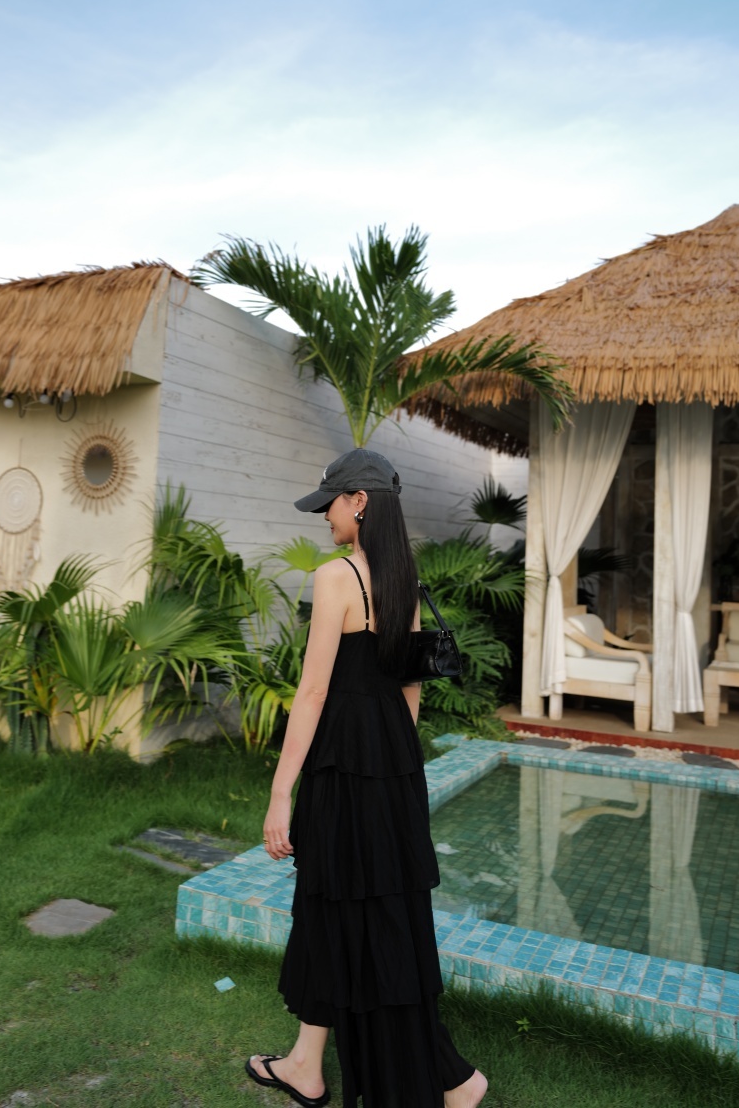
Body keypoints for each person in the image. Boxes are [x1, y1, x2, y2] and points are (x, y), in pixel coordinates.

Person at [246, 448, 488, 1108]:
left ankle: (451, 1078)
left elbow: (314, 691)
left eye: (329, 503)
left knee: (343, 905)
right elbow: (410, 688)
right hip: (392, 763)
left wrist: (280, 791)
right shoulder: (402, 580)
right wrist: (397, 769)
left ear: (359, 501)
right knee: (357, 910)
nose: (323, 515)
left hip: (344, 763)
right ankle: (307, 1062)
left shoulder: (337, 577)